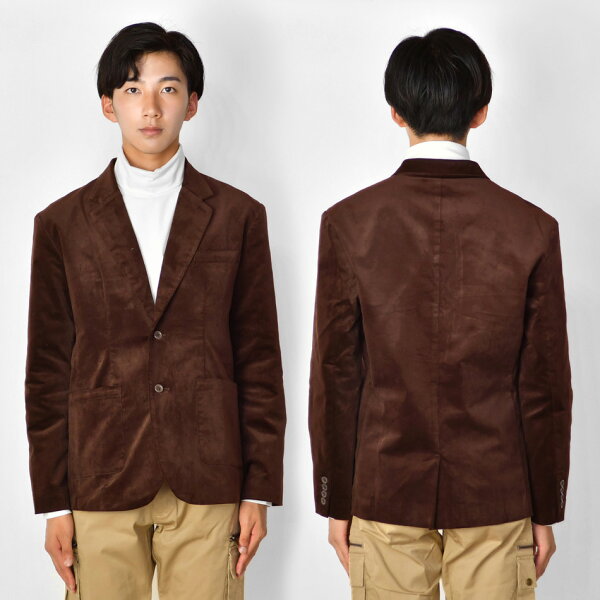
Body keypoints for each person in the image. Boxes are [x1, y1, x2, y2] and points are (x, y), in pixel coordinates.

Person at [308, 27, 572, 599]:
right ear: (480, 112)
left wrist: (336, 499)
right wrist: (546, 509)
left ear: (396, 112)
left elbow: (336, 375)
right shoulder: (532, 228)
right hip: (497, 492)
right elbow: (545, 388)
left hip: (384, 489)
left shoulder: (348, 223)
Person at [24, 21, 286, 599]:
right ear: (108, 105)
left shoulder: (238, 216)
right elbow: (47, 370)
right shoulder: (62, 224)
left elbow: (259, 360)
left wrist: (258, 490)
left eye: (168, 89)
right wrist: (54, 502)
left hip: (209, 476)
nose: (150, 107)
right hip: (100, 478)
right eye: (132, 89)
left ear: (191, 104)